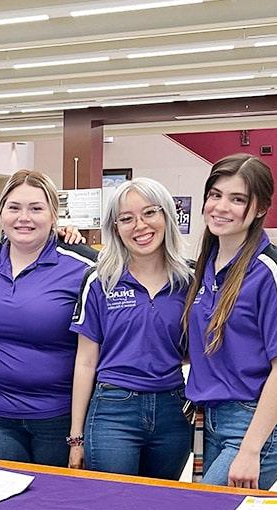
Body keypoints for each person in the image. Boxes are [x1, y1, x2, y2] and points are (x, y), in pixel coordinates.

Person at [183, 153, 277, 490]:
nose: (221, 207)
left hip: (252, 426)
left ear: (261, 208)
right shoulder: (205, 266)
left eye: (237, 199)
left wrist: (250, 450)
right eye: (215, 195)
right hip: (209, 418)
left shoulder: (272, 271)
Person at [0, 170, 96, 466]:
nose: (24, 217)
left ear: (54, 216)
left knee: (52, 506)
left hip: (58, 417)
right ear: (1, 214)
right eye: (14, 208)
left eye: (36, 208)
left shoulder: (82, 267)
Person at [68, 179, 193, 479]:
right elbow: (85, 361)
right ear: (115, 227)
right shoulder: (100, 281)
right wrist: (76, 437)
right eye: (126, 218)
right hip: (113, 410)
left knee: (158, 506)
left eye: (150, 213)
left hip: (172, 411)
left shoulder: (189, 281)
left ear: (167, 217)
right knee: (113, 506)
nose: (140, 226)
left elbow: (194, 349)